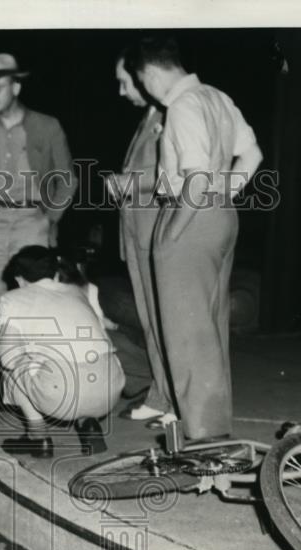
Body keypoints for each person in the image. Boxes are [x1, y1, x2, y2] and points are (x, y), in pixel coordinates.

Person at [128, 37, 263, 440]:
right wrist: (225, 194)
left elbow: (197, 175)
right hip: (221, 216)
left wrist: (174, 229)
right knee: (210, 328)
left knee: (186, 335)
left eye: (141, 81)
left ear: (151, 74)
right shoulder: (217, 97)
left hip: (190, 215)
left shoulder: (182, 107)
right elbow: (253, 154)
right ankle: (214, 428)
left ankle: (204, 439)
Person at [0, 246, 126, 459]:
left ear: (19, 279)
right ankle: (88, 423)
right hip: (111, 387)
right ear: (56, 273)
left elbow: (7, 358)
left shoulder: (13, 298)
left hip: (61, 393)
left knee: (2, 352)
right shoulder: (76, 291)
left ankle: (38, 437)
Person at [0, 53, 77, 296]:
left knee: (32, 295)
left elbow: (67, 179)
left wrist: (49, 218)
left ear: (16, 87)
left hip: (31, 220)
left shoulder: (47, 126)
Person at [106, 50, 172, 424]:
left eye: (125, 81)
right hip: (136, 231)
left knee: (163, 321)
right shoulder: (149, 118)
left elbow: (173, 175)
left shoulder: (168, 117)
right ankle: (160, 395)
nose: (120, 90)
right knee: (151, 321)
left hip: (154, 231)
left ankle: (172, 400)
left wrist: (125, 183)